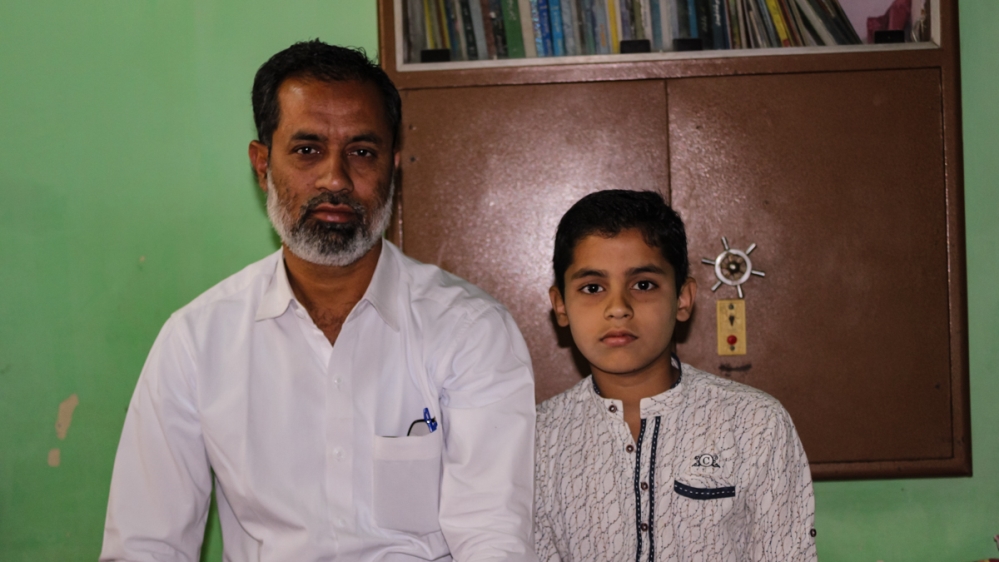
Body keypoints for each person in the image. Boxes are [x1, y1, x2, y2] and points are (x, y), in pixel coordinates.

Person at [100, 40, 538, 562]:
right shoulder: (197, 340)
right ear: (262, 164)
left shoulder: (470, 331)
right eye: (307, 150)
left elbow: (493, 541)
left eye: (362, 152)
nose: (336, 179)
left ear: (393, 166)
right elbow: (147, 545)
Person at [533, 190, 816, 561]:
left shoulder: (755, 425)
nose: (618, 308)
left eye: (644, 284)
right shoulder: (535, 442)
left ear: (683, 299)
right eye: (592, 288)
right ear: (560, 305)